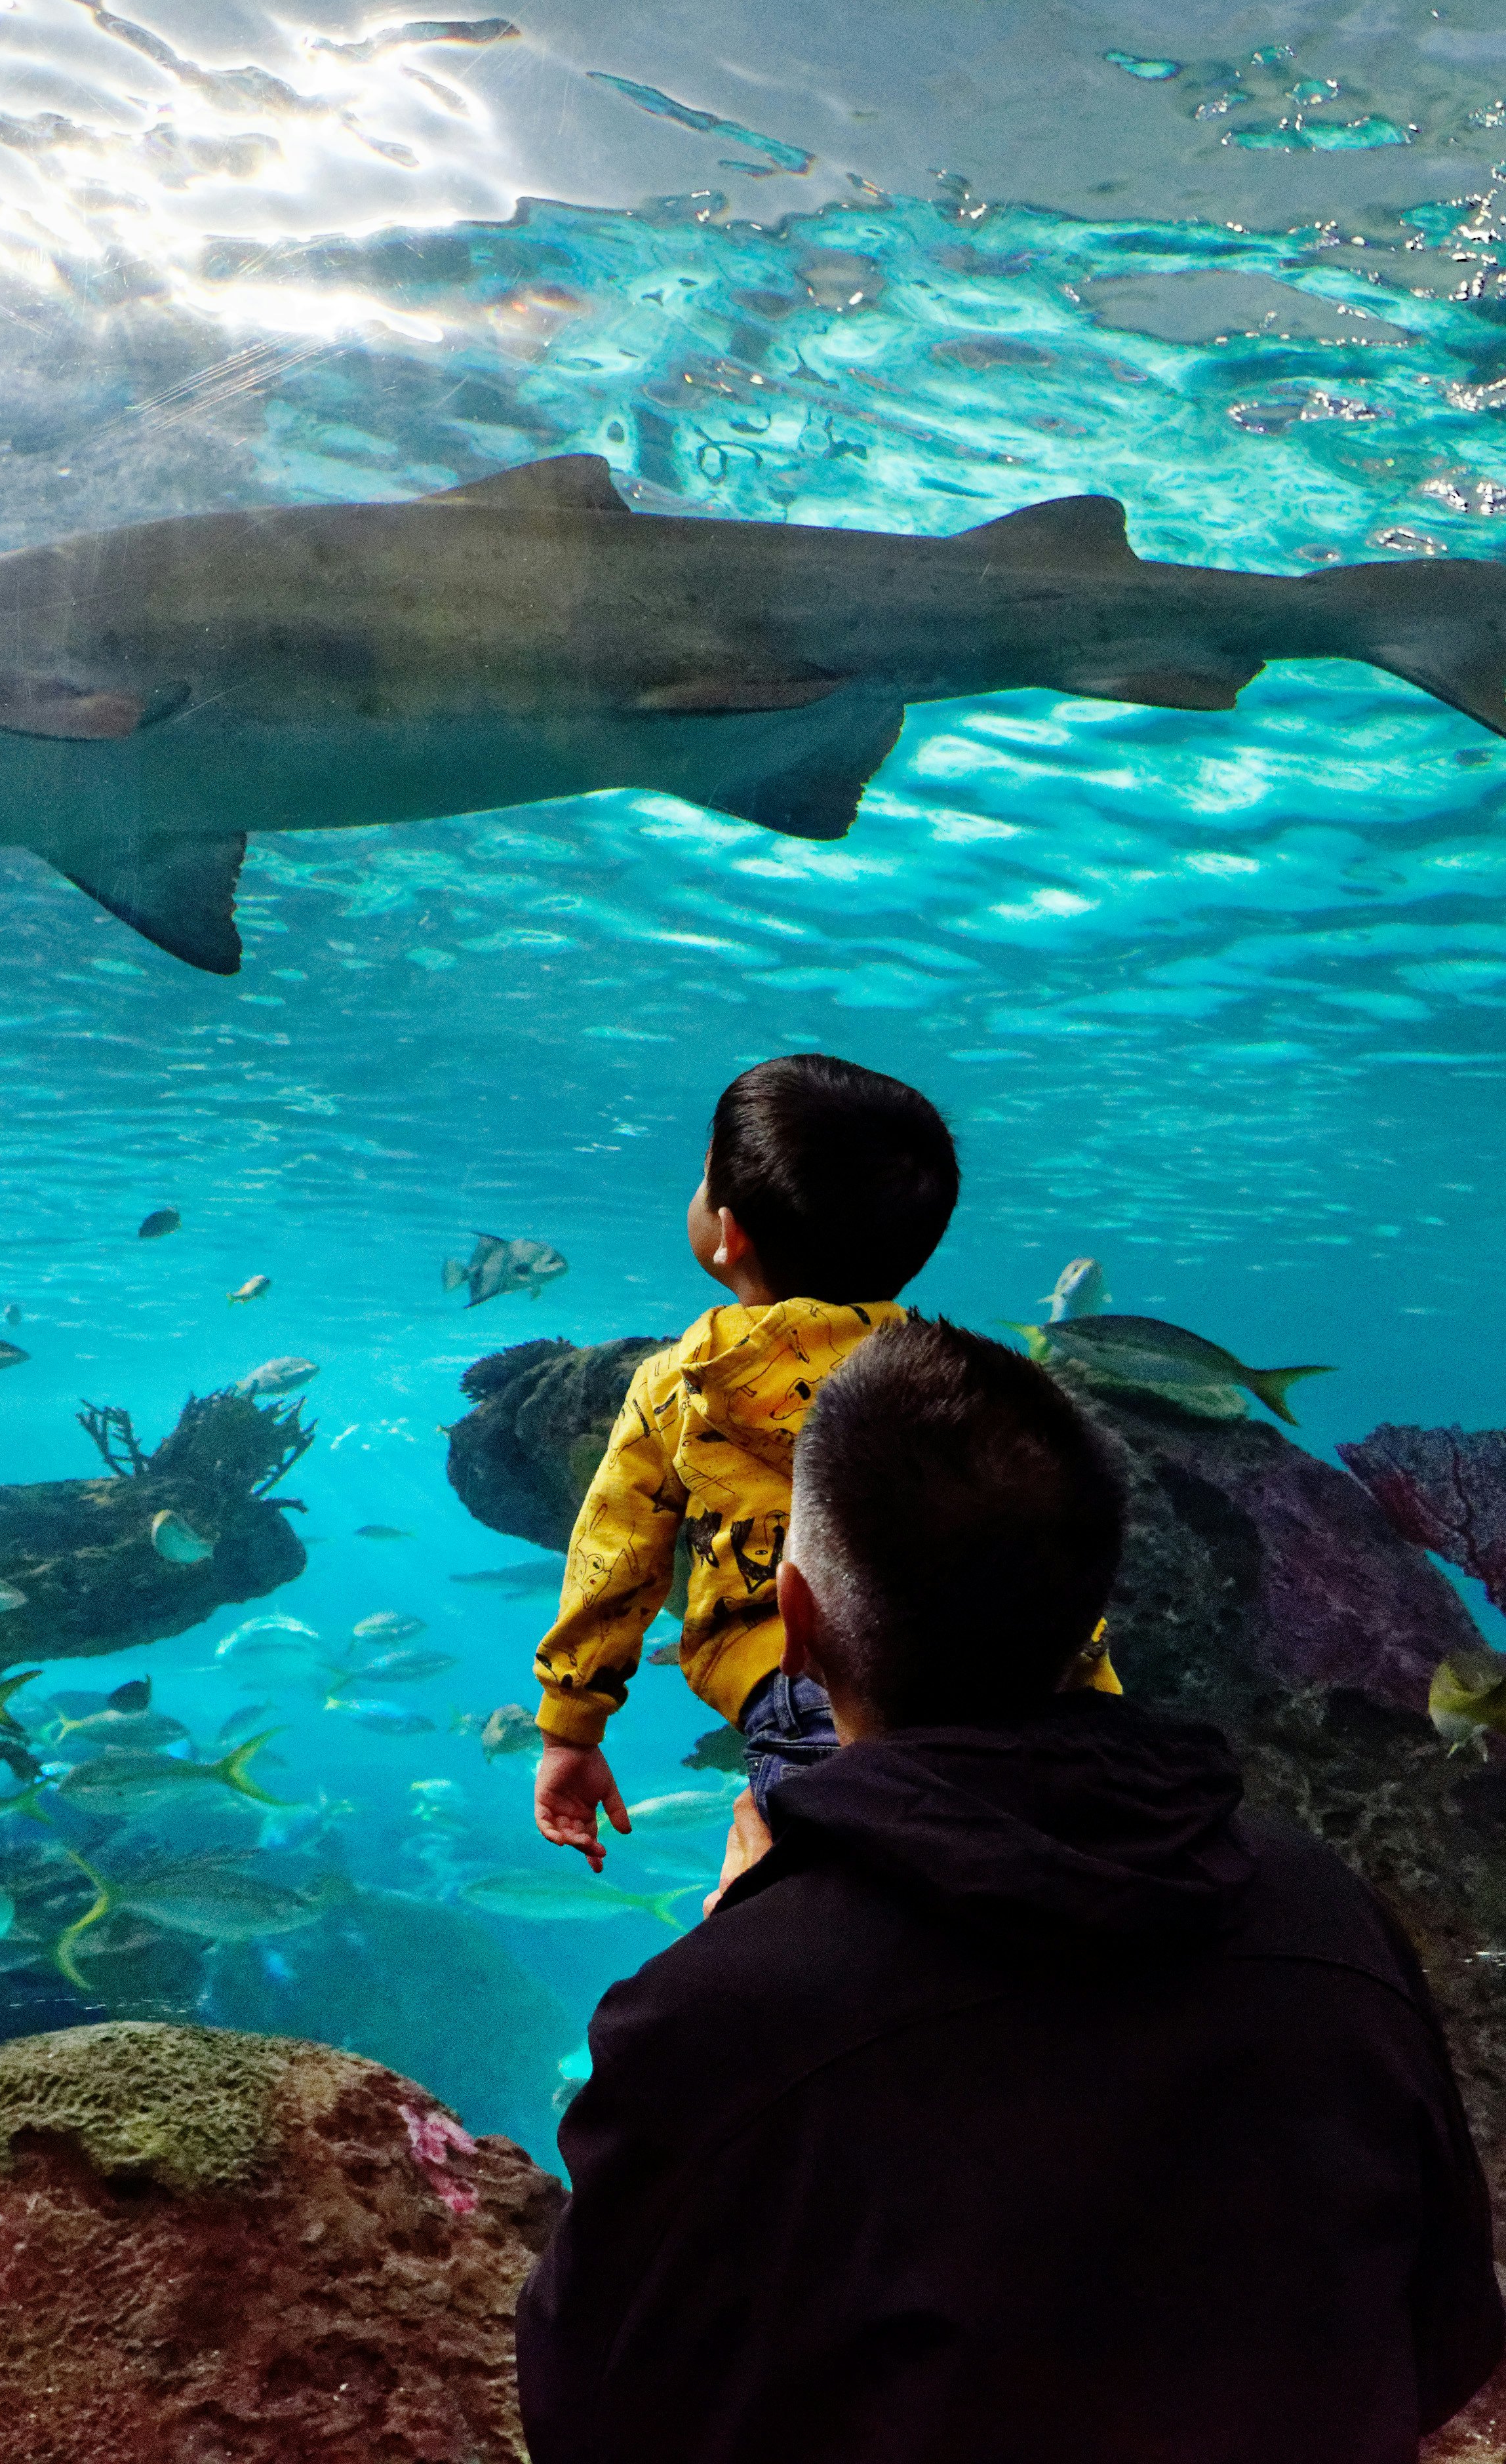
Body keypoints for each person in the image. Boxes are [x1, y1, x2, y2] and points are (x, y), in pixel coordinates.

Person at [515, 1319, 1504, 2464]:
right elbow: (1444, 2338)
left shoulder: (717, 2018)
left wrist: (752, 1936)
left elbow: (591, 2412)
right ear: (1092, 1615)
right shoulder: (1324, 1915)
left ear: (796, 1620)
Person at [534, 1052, 1120, 1871]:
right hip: (1018, 1694)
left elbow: (614, 1556)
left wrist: (570, 1727)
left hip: (802, 1692)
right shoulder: (954, 1376)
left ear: (728, 1232)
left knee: (830, 1899)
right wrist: (1093, 1692)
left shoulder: (681, 1385)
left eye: (703, 1175)